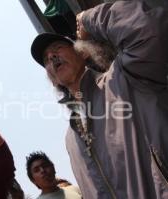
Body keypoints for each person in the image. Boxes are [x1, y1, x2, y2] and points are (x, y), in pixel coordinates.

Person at [30, 1, 168, 198]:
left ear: (83, 51)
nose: (51, 56)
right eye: (45, 59)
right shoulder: (71, 141)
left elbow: (149, 28)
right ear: (52, 80)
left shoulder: (125, 77)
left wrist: (88, 18)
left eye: (58, 47)